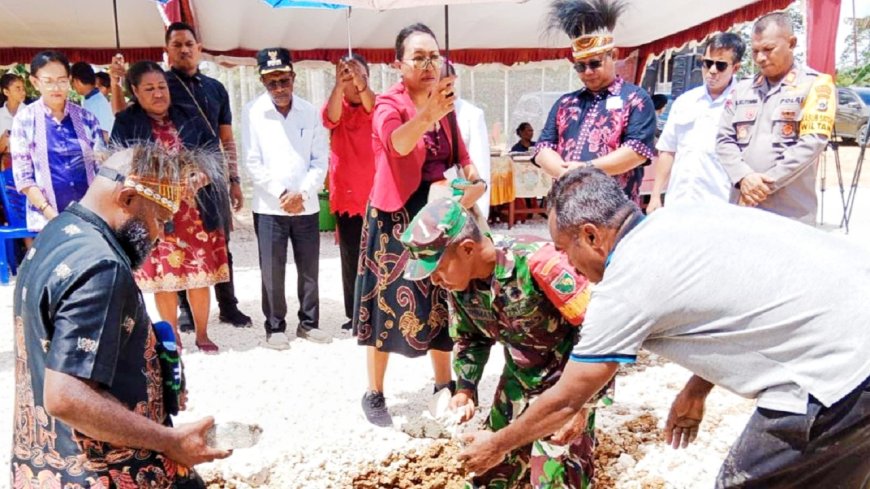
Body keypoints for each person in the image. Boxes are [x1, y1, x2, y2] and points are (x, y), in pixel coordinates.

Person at [459, 167, 870, 488]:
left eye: (566, 250)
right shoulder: (683, 216)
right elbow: (737, 299)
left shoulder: (625, 285)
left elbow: (568, 399)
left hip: (836, 373)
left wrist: (496, 445)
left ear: (591, 235)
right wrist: (697, 388)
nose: (566, 264)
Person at [11, 144, 232, 489]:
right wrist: (169, 441)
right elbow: (65, 396)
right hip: (100, 475)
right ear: (128, 198)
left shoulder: (56, 234)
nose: (159, 236)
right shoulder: (102, 268)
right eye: (158, 218)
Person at [401, 197, 603, 488]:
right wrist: (466, 390)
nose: (434, 279)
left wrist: (582, 406)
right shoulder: (460, 284)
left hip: (567, 389)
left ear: (467, 248)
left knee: (557, 479)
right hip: (517, 386)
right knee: (487, 470)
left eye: (437, 268)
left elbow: (598, 332)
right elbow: (471, 338)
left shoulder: (538, 264)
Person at [355, 23, 486, 427]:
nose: (429, 64)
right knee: (387, 307)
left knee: (441, 301)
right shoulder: (388, 104)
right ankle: (374, 392)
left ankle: (443, 384)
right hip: (394, 218)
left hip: (438, 214)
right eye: (419, 57)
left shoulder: (444, 107)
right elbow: (397, 144)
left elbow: (463, 157)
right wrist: (429, 112)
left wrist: (474, 182)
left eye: (435, 56)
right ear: (399, 64)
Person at [112, 61, 229, 353]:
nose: (158, 94)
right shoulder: (127, 122)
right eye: (149, 88)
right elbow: (117, 164)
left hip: (195, 210)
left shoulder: (190, 116)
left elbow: (213, 152)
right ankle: (173, 335)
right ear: (135, 92)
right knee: (165, 276)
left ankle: (202, 333)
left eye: (162, 87)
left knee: (199, 272)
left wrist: (203, 174)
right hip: (154, 212)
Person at [242, 48, 331, 349]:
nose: (279, 89)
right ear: (262, 82)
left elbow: (320, 159)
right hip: (270, 206)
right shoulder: (253, 112)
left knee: (309, 267)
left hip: (306, 204)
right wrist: (282, 193)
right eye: (271, 83)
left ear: (293, 77)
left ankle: (309, 323)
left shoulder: (309, 111)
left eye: (283, 80)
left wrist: (303, 193)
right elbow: (252, 162)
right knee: (272, 268)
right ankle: (275, 326)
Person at [162, 22, 250, 328]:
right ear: (168, 50)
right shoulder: (160, 87)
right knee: (180, 243)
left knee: (220, 241)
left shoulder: (216, 88)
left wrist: (234, 180)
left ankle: (228, 306)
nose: (184, 50)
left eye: (189, 44)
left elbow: (227, 138)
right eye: (177, 45)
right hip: (178, 179)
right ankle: (186, 310)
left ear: (199, 48)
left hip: (213, 178)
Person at [717, 13, 836, 224]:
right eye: (755, 51)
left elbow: (811, 144)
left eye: (768, 49)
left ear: (791, 43)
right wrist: (744, 177)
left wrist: (762, 185)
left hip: (790, 213)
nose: (760, 58)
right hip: (743, 205)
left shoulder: (816, 85)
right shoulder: (742, 89)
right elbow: (724, 140)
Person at [535, 0, 656, 205]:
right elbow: (542, 148)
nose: (588, 72)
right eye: (580, 67)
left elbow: (636, 152)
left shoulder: (636, 99)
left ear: (614, 55)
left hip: (615, 211)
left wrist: (586, 168)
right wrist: (565, 173)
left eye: (595, 64)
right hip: (568, 207)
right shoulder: (565, 103)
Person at [648, 33, 744, 213]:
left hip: (722, 204)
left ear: (736, 68)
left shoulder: (744, 103)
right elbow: (668, 150)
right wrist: (655, 196)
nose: (712, 70)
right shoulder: (685, 102)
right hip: (680, 201)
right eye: (707, 63)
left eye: (720, 65)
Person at [11, 50, 105, 232]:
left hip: (92, 221)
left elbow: (103, 169)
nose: (56, 88)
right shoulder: (24, 121)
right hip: (47, 224)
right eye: (48, 81)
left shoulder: (87, 119)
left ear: (69, 80)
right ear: (35, 82)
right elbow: (24, 179)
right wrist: (53, 216)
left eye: (62, 80)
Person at [322, 53, 376, 332]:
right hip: (347, 194)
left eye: (357, 76)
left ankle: (379, 310)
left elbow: (373, 108)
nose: (353, 84)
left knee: (379, 254)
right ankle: (354, 313)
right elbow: (329, 119)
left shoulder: (376, 102)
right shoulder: (337, 105)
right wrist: (339, 85)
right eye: (346, 76)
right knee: (351, 255)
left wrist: (361, 83)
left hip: (377, 193)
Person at [71, 61, 115, 138]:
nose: (73, 86)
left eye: (71, 82)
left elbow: (105, 134)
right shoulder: (89, 99)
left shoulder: (98, 102)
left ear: (76, 81)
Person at [0, 73, 26, 171]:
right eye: (18, 88)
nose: (23, 92)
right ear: (6, 92)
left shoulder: (31, 113)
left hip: (28, 166)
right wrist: (2, 142)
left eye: (23, 88)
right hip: (6, 167)